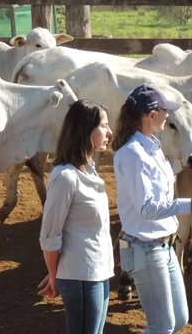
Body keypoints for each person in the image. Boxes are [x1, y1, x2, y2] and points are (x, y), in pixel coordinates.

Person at [112, 84, 192, 334]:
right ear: (151, 115)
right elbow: (146, 209)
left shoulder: (153, 147)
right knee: (161, 325)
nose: (168, 115)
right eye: (165, 111)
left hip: (164, 245)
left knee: (178, 320)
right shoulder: (133, 154)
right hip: (146, 247)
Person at [37, 99, 115, 334]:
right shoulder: (65, 177)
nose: (109, 132)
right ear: (84, 130)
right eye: (103, 125)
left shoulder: (88, 171)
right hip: (81, 276)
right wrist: (55, 275)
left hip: (99, 271)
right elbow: (50, 234)